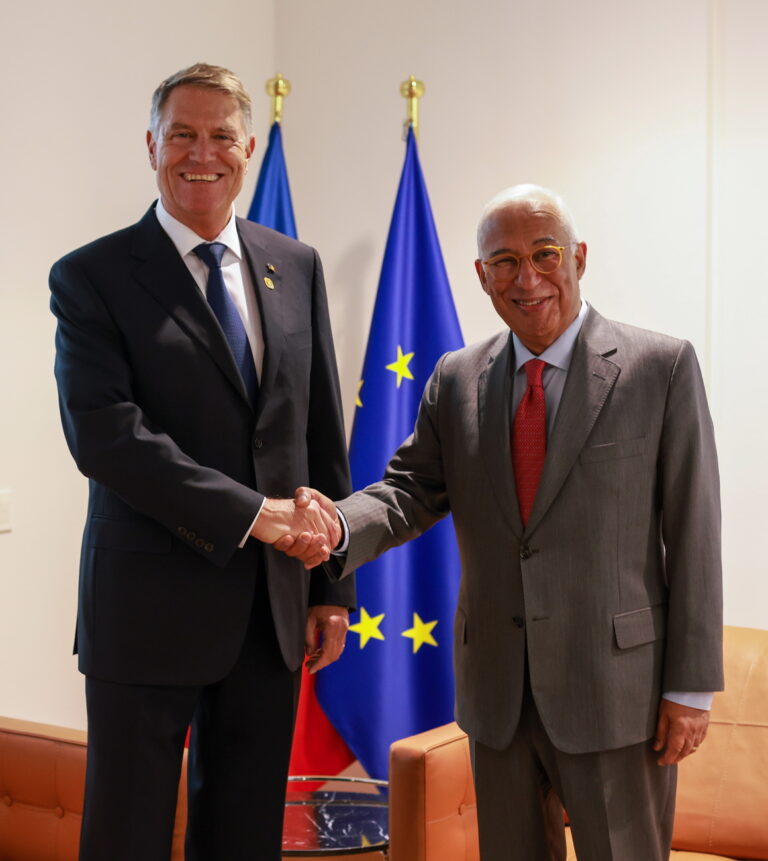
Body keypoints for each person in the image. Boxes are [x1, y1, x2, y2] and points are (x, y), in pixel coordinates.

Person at [279, 185, 723, 860]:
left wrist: (690, 688)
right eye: (505, 261)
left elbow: (695, 531)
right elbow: (406, 493)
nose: (529, 277)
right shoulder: (457, 378)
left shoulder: (658, 368)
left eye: (545, 254)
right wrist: (335, 525)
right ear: (481, 275)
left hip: (615, 694)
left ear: (578, 256)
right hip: (497, 695)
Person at [49, 62, 353, 861]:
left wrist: (330, 587)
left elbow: (317, 431)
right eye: (182, 133)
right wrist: (259, 516)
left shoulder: (298, 263)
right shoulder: (93, 277)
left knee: (245, 837)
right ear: (151, 143)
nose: (201, 152)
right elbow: (106, 436)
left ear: (248, 147)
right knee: (128, 837)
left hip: (271, 612)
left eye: (221, 135)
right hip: (145, 611)